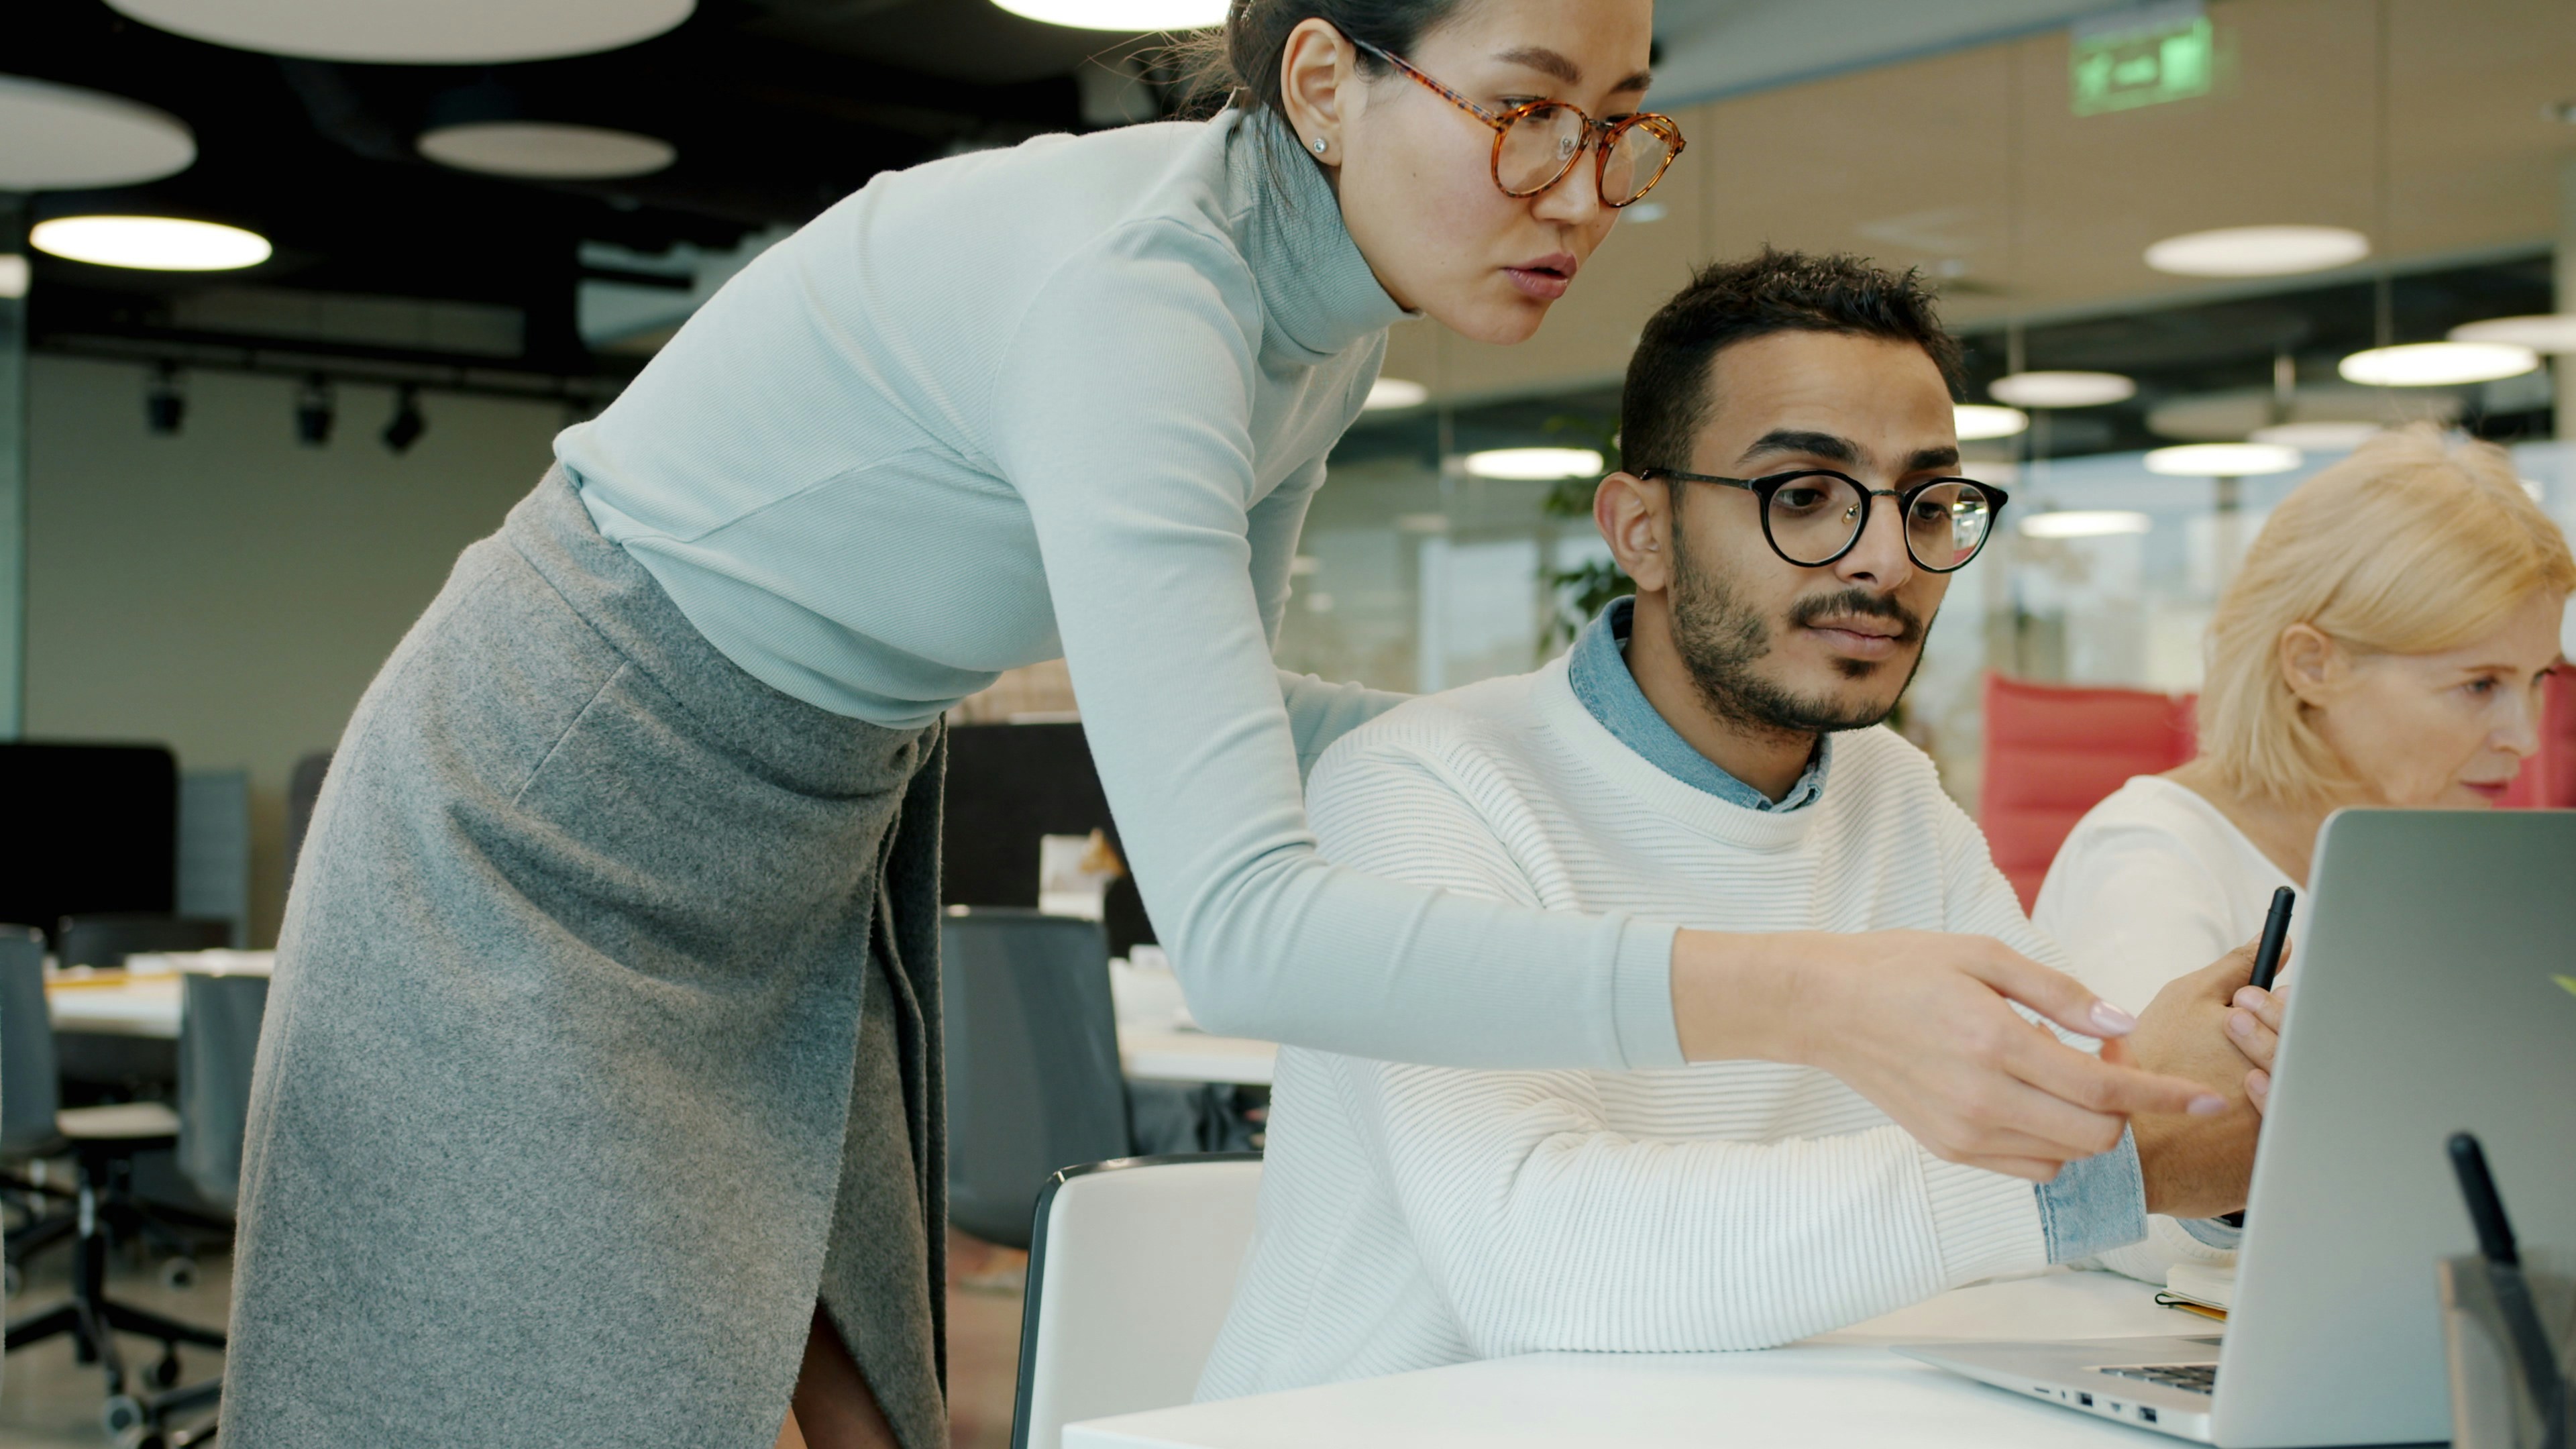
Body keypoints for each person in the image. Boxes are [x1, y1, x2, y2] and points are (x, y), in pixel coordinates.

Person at [223, 4, 2218, 1445]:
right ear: (1326, 81)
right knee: (554, 1394)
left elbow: (1208, 701)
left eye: (1620, 128)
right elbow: (1249, 928)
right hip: (559, 801)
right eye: (1524, 112)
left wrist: (1563, 749)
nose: (1580, 191)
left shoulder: (1318, 315)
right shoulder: (1144, 304)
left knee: (824, 1388)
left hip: (815, 807)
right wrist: (1797, 990)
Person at [1197, 252, 2268, 1398]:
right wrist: (2108, 1166)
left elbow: (2087, 1157)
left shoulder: (1893, 795)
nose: (1885, 559)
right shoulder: (1422, 789)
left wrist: (2221, 1141)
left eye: (1928, 503)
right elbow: (1535, 1266)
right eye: (1804, 494)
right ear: (1642, 529)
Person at [2035, 427, 2573, 1112]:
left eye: (2538, 678)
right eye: (2479, 686)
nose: (2525, 737)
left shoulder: (2422, 850)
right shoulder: (2152, 866)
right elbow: (2143, 1188)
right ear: (2314, 665)